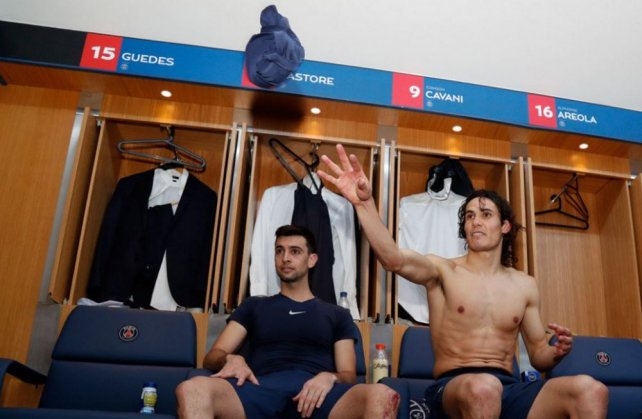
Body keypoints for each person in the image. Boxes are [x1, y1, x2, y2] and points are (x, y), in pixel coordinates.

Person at [318, 144, 609, 419]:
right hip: (453, 387)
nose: (475, 221)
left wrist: (555, 352)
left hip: (509, 388)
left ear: (504, 226)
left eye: (485, 214)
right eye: (469, 216)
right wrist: (364, 204)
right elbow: (393, 259)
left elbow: (537, 354)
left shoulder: (524, 285)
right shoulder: (442, 271)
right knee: (483, 388)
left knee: (590, 390)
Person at [175, 224, 399, 419]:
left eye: (295, 251)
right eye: (279, 251)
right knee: (192, 389)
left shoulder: (337, 314)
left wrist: (329, 377)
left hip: (317, 396)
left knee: (382, 395)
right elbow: (212, 356)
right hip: (259, 390)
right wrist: (230, 359)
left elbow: (348, 375)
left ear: (312, 260)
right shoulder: (254, 306)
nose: (285, 258)